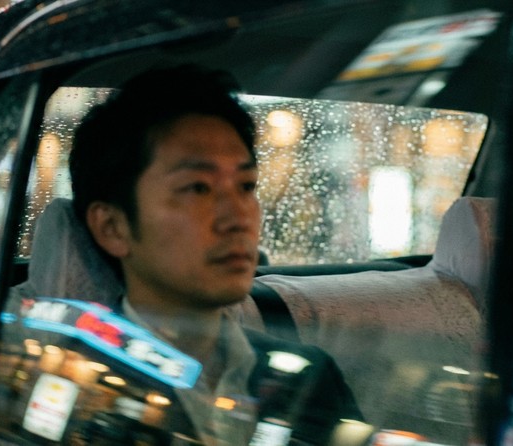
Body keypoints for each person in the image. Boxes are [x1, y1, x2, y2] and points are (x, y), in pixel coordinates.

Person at [67, 63, 362, 445]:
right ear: (112, 227)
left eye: (246, 186)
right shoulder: (74, 380)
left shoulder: (309, 378)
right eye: (198, 188)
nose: (238, 218)